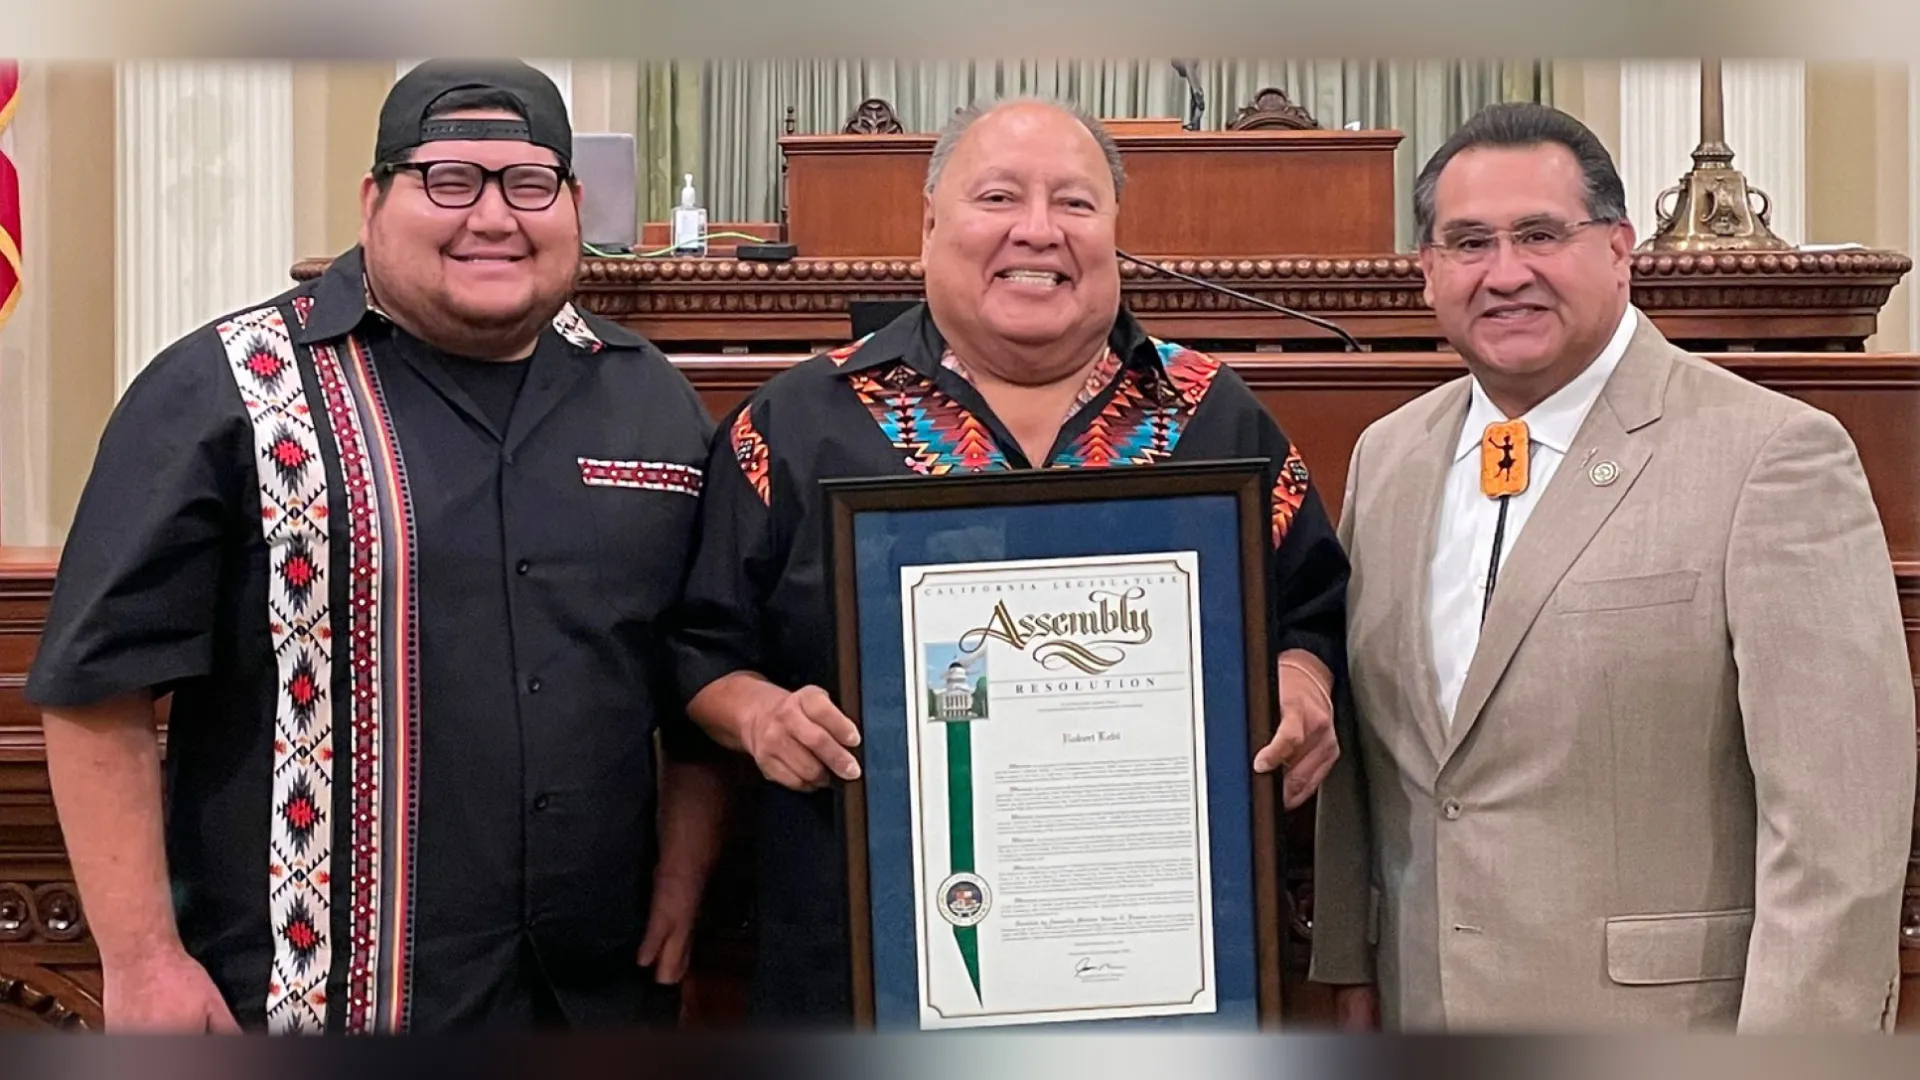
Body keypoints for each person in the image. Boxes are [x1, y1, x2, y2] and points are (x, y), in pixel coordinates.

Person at [25, 59, 731, 1034]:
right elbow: (95, 687)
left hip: (593, 995)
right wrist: (143, 959)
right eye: (449, 180)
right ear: (373, 198)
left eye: (528, 184)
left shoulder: (649, 399)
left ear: (571, 204)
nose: (492, 218)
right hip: (310, 1000)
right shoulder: (226, 390)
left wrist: (687, 870)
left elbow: (698, 670)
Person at [669, 97, 1352, 1025]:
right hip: (869, 963)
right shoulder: (797, 423)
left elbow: (1313, 609)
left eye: (1075, 203)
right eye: (998, 197)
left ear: (1115, 231)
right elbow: (699, 646)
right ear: (929, 223)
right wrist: (760, 716)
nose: (1038, 230)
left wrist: (1301, 681)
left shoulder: (1212, 414)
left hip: (1164, 952)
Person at [1310, 102, 1914, 1032]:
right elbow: (1375, 767)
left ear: (1621, 248)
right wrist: (1351, 961)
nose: (1505, 273)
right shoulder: (1389, 458)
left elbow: (1840, 834)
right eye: (1468, 243)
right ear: (1426, 271)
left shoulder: (1773, 456)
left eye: (1541, 234)